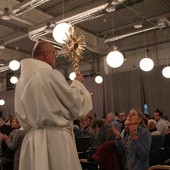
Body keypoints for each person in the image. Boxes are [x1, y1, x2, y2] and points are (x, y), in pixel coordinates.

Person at [14, 40, 93, 170]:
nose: (55, 57)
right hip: (55, 140)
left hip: (32, 140)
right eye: (54, 54)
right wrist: (78, 83)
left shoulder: (21, 82)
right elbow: (77, 106)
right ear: (46, 54)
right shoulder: (49, 74)